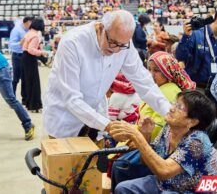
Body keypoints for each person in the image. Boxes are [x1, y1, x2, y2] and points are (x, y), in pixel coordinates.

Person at [43, 10, 171, 139]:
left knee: (95, 157)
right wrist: (109, 126)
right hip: (65, 118)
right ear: (100, 28)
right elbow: (71, 99)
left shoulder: (123, 43)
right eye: (112, 43)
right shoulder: (73, 43)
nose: (116, 49)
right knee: (66, 157)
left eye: (121, 45)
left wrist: (168, 112)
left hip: (96, 116)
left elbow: (144, 81)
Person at [109, 90, 217, 193]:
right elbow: (146, 163)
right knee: (123, 188)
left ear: (193, 122)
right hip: (171, 183)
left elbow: (164, 171)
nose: (171, 108)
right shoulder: (168, 129)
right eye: (174, 103)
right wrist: (145, 135)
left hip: (201, 189)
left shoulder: (197, 142)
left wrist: (136, 136)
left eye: (179, 107)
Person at [176, 4, 217, 90]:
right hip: (195, 88)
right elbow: (180, 57)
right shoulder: (196, 34)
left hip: (216, 90)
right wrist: (185, 37)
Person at [21, 18, 47, 113]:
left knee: (28, 81)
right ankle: (35, 106)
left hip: (24, 57)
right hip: (30, 58)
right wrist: (42, 52)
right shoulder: (35, 36)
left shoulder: (28, 33)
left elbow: (23, 45)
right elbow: (31, 50)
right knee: (34, 82)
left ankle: (29, 104)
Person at [8, 16, 33, 99]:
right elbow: (11, 45)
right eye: (30, 23)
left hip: (26, 56)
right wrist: (20, 43)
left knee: (25, 78)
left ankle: (24, 98)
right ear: (26, 22)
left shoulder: (29, 30)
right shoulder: (16, 30)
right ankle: (12, 97)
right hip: (17, 56)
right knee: (15, 78)